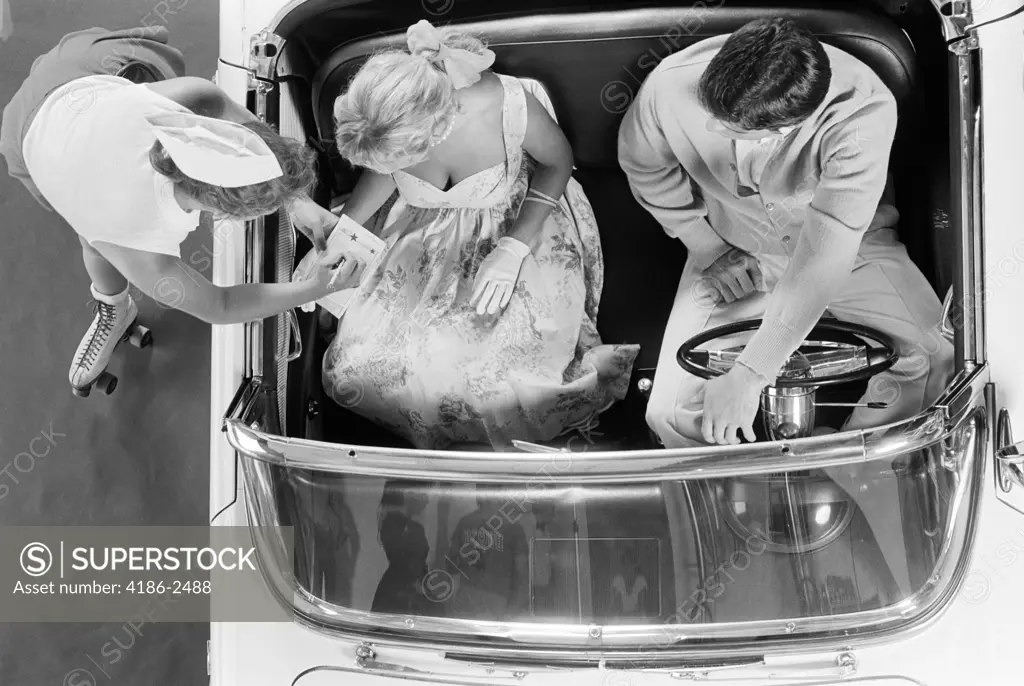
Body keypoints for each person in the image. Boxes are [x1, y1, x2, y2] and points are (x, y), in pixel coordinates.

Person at [618, 18, 953, 447]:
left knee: (935, 358)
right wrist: (705, 246)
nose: (710, 129)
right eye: (710, 113)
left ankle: (844, 471)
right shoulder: (667, 86)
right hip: (734, 247)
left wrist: (752, 372)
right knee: (667, 414)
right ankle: (738, 500)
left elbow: (825, 254)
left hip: (851, 249)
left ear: (783, 130)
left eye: (731, 129)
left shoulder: (864, 111)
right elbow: (644, 166)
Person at [322, 20, 639, 450]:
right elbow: (384, 174)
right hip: (422, 234)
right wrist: (345, 233)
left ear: (438, 127)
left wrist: (512, 249)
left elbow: (557, 162)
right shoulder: (391, 120)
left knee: (493, 380)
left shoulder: (508, 104)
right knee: (369, 368)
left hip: (513, 227)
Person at [0, 26, 363, 395]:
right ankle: (114, 307)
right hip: (27, 138)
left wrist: (300, 203)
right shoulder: (145, 251)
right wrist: (313, 288)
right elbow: (220, 305)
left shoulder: (193, 98)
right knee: (93, 238)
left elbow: (249, 137)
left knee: (97, 234)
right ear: (222, 212)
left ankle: (110, 298)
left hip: (75, 74)